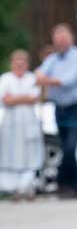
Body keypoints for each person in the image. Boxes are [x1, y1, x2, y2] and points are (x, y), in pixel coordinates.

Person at [35, 24, 77, 200]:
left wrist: (47, 80)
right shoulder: (52, 59)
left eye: (63, 39)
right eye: (57, 40)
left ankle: (64, 182)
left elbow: (68, 81)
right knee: (64, 148)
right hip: (58, 109)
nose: (60, 43)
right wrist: (45, 78)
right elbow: (38, 73)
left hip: (76, 108)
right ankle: (73, 187)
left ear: (71, 38)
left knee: (70, 147)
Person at [0, 50, 43, 200]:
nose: (19, 65)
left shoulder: (32, 78)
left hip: (28, 123)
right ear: (12, 64)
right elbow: (6, 100)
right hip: (10, 124)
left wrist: (16, 98)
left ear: (27, 64)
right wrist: (24, 97)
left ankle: (29, 188)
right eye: (16, 62)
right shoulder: (5, 79)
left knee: (30, 156)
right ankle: (14, 190)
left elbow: (34, 98)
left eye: (22, 62)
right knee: (11, 156)